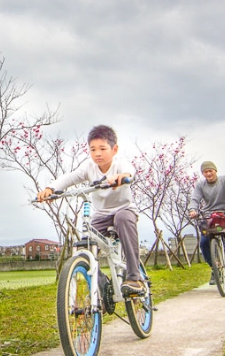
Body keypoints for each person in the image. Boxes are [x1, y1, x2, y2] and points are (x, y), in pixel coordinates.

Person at [36, 125, 145, 295]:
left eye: (102, 148)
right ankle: (102, 288)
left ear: (114, 149)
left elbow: (129, 170)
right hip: (101, 216)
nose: (97, 153)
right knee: (85, 247)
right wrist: (51, 188)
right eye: (93, 149)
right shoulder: (89, 167)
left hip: (124, 210)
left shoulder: (119, 164)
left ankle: (134, 278)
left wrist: (123, 176)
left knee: (123, 218)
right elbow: (70, 177)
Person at [189, 160, 225, 285]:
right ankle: (215, 268)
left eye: (210, 171)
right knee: (204, 243)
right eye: (205, 172)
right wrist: (192, 210)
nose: (208, 174)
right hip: (209, 215)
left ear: (215, 171)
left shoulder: (224, 180)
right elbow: (195, 199)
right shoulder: (200, 185)